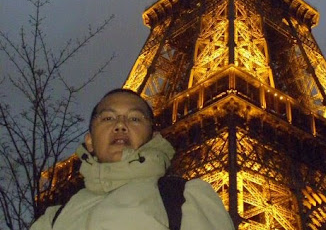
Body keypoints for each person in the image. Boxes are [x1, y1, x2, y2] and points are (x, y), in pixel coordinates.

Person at [31, 88, 235, 230]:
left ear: (153, 137)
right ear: (89, 141)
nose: (120, 125)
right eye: (108, 118)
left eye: (135, 118)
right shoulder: (52, 219)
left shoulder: (184, 198)